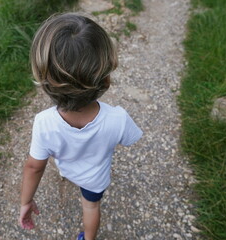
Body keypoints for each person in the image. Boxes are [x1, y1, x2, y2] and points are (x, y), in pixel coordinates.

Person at [19, 13, 143, 240]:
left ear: (44, 79)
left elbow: (34, 167)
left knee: (71, 173)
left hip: (68, 170)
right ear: (105, 77)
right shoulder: (118, 118)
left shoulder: (43, 123)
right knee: (91, 208)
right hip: (95, 180)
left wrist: (26, 201)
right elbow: (130, 139)